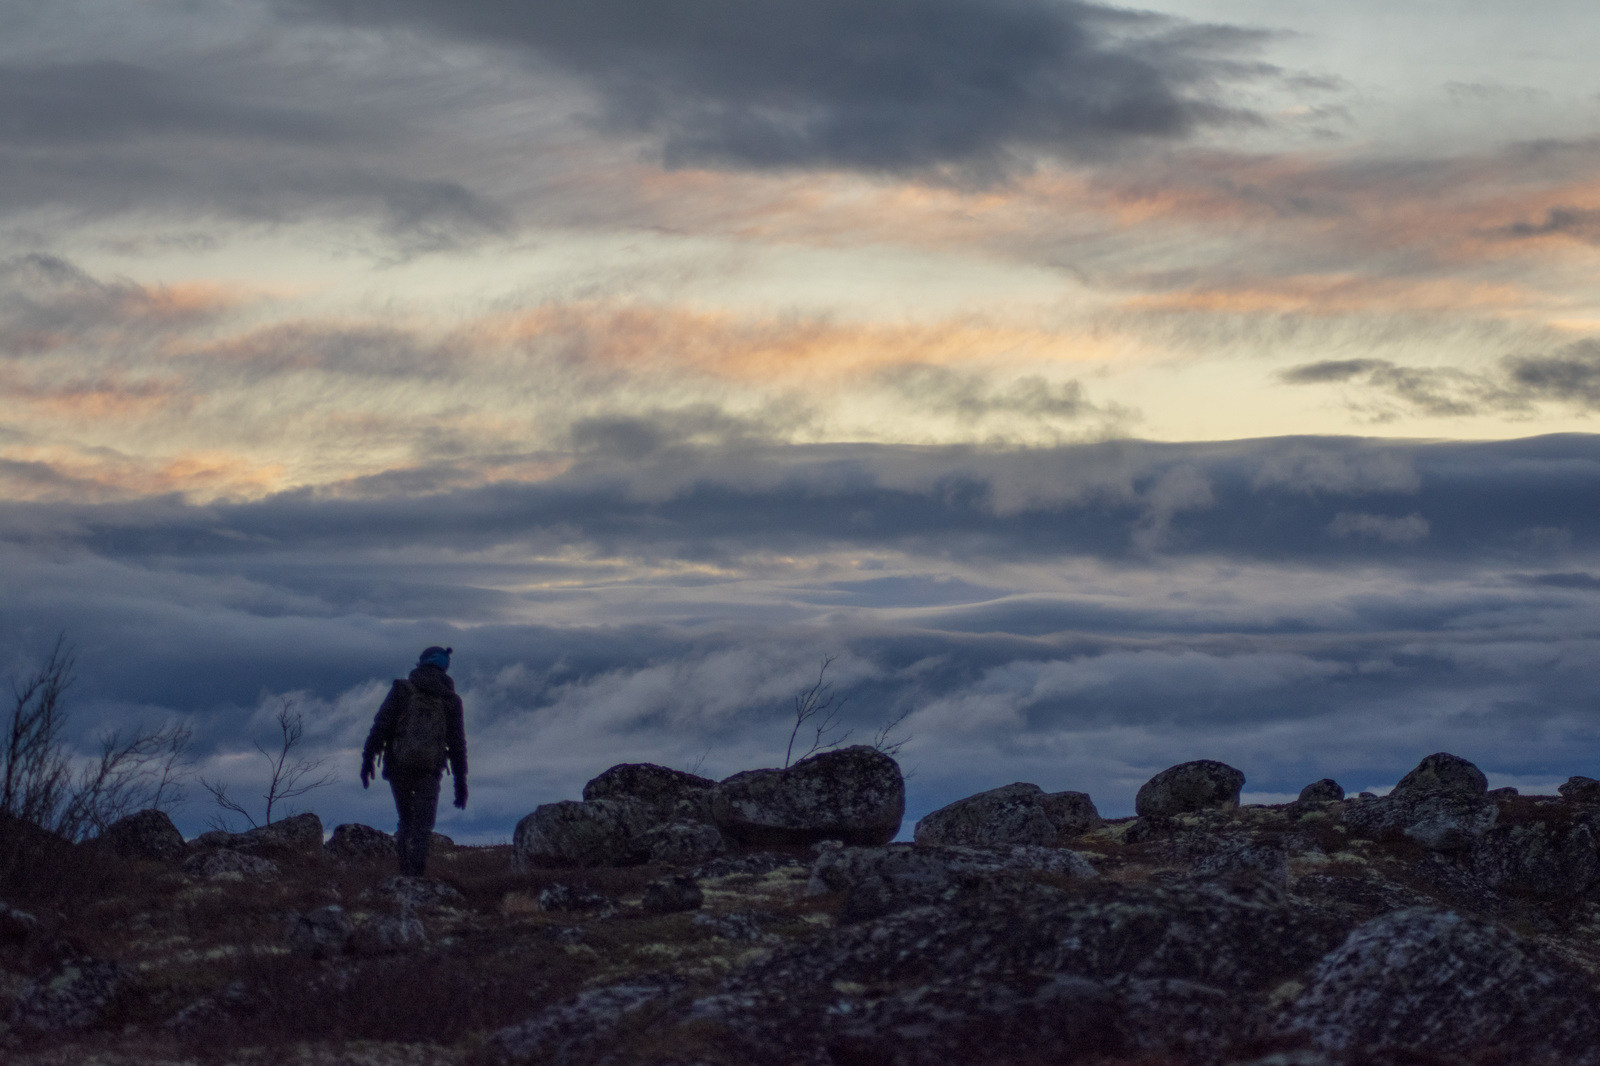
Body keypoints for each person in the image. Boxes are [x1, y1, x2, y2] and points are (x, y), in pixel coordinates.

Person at [361, 645, 468, 876]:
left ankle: (403, 872)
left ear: (421, 663)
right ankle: (415, 875)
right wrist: (460, 782)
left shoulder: (402, 689)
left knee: (405, 819)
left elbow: (381, 726)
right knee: (423, 825)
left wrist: (368, 759)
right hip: (430, 769)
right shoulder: (450, 700)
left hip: (397, 765)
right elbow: (457, 743)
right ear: (445, 667)